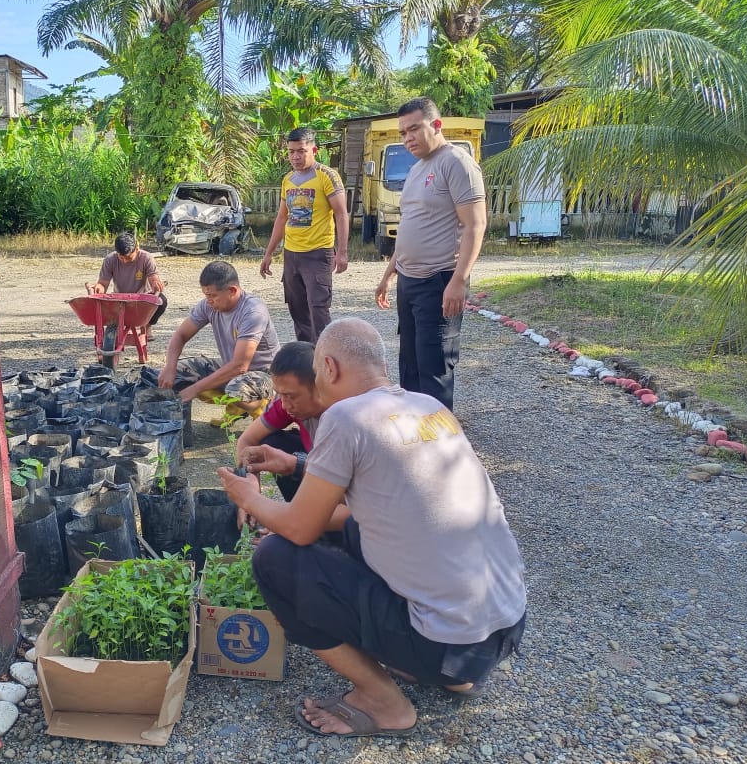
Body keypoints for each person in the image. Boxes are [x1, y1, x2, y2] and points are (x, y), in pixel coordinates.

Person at [218, 317, 526, 739]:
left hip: (443, 645)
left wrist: (249, 498)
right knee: (358, 531)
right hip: (501, 630)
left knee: (274, 558)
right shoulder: (429, 407)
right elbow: (383, 511)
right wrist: (294, 465)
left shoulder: (345, 417)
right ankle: (450, 673)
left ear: (328, 367)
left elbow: (300, 530)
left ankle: (385, 702)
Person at [374, 97, 486, 410]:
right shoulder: (416, 169)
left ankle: (440, 445)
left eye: (414, 129)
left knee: (434, 366)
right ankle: (415, 434)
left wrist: (459, 281)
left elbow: (476, 225)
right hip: (408, 282)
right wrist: (387, 275)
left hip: (439, 280)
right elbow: (410, 225)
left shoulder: (456, 162)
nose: (407, 137)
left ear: (436, 125)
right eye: (402, 133)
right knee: (409, 365)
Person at [261, 127, 350, 343]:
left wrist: (343, 252)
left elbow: (341, 214)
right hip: (292, 255)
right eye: (291, 152)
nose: (296, 157)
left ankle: (325, 361)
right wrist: (269, 253)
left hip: (318, 254)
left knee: (318, 310)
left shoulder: (327, 176)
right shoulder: (288, 179)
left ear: (314, 150)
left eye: (301, 151)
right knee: (298, 311)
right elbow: (282, 218)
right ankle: (305, 360)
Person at [158, 261, 278, 414]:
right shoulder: (208, 305)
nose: (209, 301)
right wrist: (170, 366)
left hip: (265, 374)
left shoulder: (253, 312)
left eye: (213, 296)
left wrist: (194, 389)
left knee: (235, 389)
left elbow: (239, 367)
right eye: (206, 295)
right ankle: (237, 405)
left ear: (232, 290)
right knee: (180, 371)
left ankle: (261, 404)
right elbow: (180, 335)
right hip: (232, 368)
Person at [233, 341, 323, 505]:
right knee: (271, 443)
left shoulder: (344, 418)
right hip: (316, 466)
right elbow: (247, 441)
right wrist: (251, 486)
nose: (284, 404)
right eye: (280, 394)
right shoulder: (286, 403)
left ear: (319, 386)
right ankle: (296, 505)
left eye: (291, 396)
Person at [89, 232, 167, 336]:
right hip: (120, 299)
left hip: (142, 299)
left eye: (128, 258)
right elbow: (103, 284)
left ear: (137, 249)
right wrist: (98, 287)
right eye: (121, 258)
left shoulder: (146, 258)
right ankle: (117, 326)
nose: (125, 261)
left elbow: (153, 278)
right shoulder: (110, 260)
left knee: (162, 301)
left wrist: (156, 284)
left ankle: (147, 325)